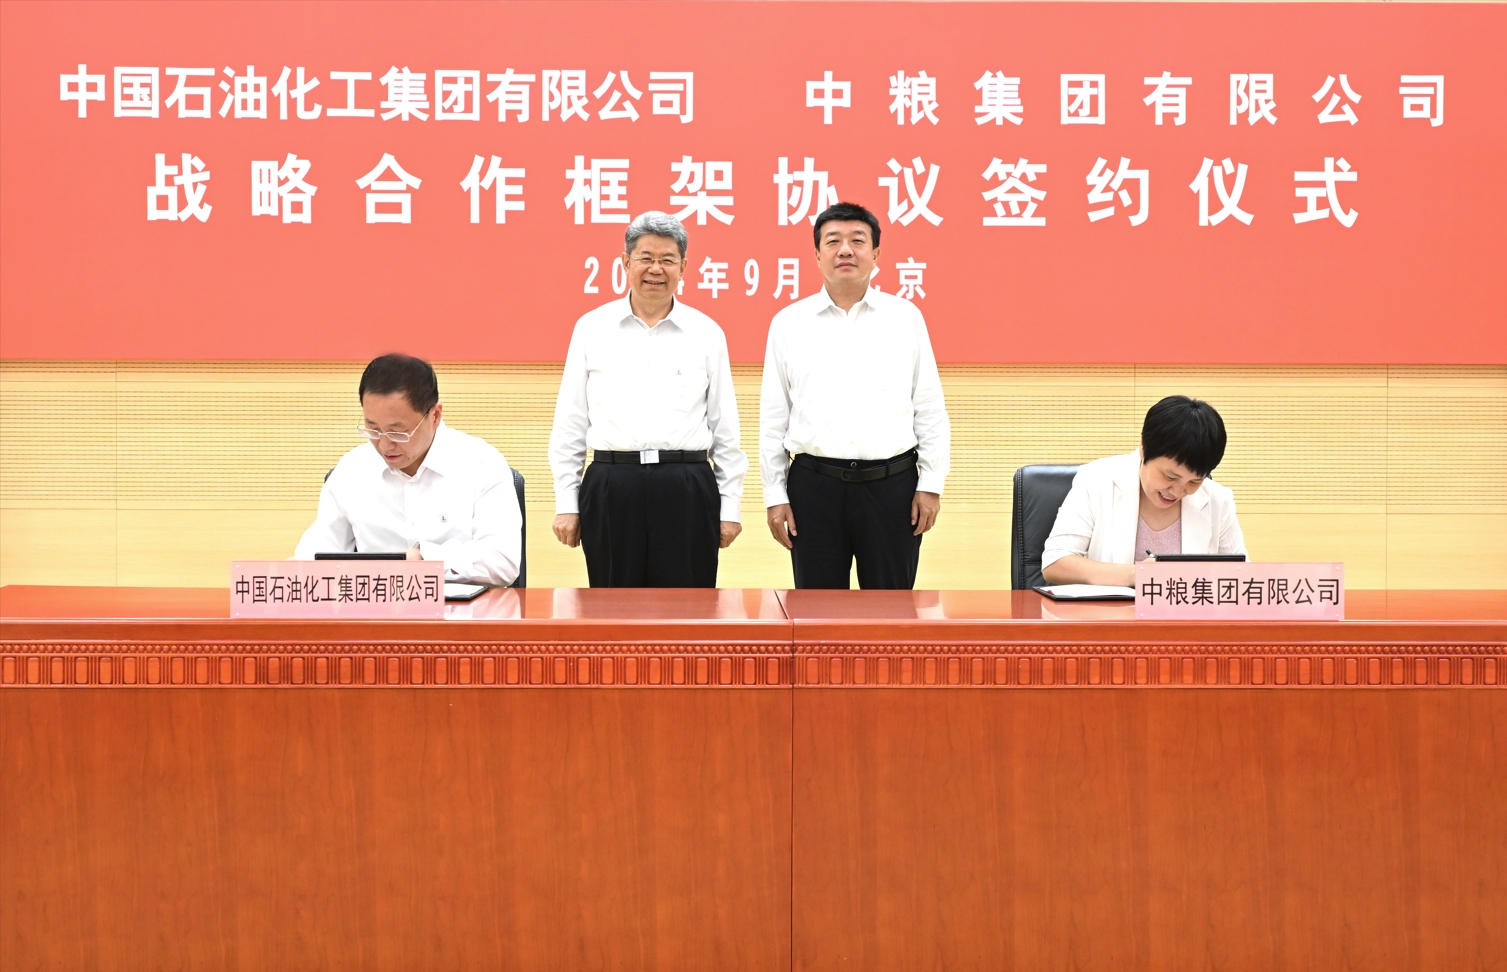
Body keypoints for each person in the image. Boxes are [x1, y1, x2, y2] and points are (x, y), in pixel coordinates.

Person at [548, 211, 747, 587]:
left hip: (686, 486)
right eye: (646, 258)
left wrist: (730, 506)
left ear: (683, 267)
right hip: (612, 484)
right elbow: (570, 422)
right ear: (625, 262)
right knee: (612, 607)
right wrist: (566, 503)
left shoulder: (706, 332)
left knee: (688, 609)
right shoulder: (592, 328)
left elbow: (725, 427)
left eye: (668, 259)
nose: (656, 269)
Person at [760, 201, 951, 589]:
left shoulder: (905, 318)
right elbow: (774, 416)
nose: (845, 250)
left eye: (857, 241)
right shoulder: (788, 323)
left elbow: (929, 406)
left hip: (892, 488)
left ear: (876, 253)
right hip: (813, 488)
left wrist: (930, 484)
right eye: (833, 241)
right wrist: (774, 493)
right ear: (817, 254)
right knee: (817, 611)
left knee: (891, 611)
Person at [294, 353, 522, 587]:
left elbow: (502, 561)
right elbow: (317, 553)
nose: (384, 445)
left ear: (435, 415)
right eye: (373, 429)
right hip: (376, 607)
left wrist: (423, 561)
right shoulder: (352, 470)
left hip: (463, 609)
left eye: (398, 432)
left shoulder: (481, 463)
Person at [1041, 395, 1247, 587]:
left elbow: (1241, 575)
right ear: (1144, 448)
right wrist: (1138, 574)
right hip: (1109, 613)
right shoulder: (1096, 479)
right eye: (1170, 477)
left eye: (1194, 481)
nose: (1177, 491)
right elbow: (1055, 562)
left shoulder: (1218, 500)